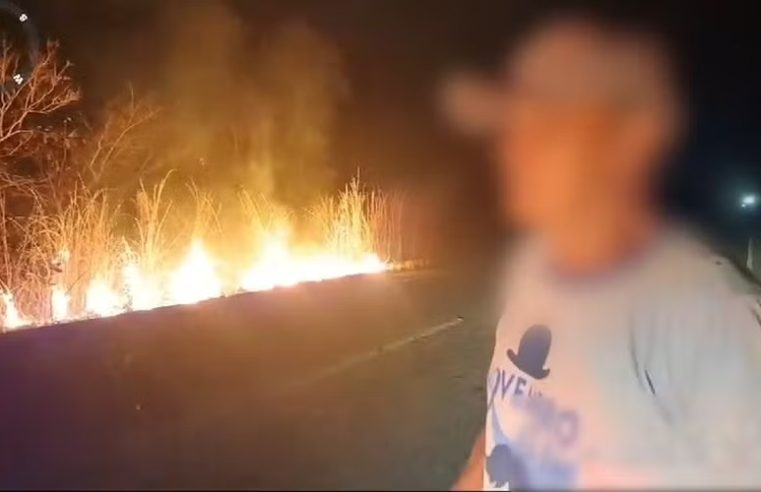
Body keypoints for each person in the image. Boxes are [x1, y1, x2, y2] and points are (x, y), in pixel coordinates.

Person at [448, 10, 761, 490]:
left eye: (545, 127)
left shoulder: (705, 316)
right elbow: (500, 433)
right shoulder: (533, 280)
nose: (511, 149)